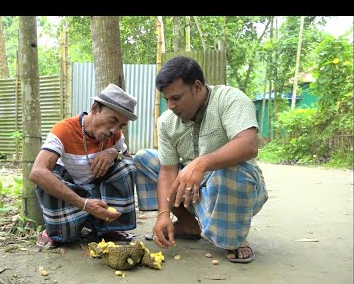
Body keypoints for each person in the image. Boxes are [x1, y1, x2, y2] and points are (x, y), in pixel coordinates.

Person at [134, 56, 268, 263]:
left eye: (176, 98)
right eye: (166, 99)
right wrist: (163, 214)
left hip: (236, 186)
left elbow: (249, 145)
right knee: (144, 158)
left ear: (197, 87)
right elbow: (168, 170)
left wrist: (201, 163)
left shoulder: (229, 99)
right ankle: (189, 224)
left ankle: (233, 238)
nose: (170, 106)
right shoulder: (167, 122)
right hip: (191, 192)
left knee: (229, 171)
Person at [30, 83, 138, 249]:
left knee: (126, 167)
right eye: (112, 121)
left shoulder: (115, 136)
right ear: (95, 108)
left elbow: (129, 161)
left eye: (120, 125)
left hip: (97, 191)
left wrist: (114, 153)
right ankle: (55, 230)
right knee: (49, 176)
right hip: (70, 194)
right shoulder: (63, 130)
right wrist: (84, 203)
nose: (114, 130)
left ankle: (108, 228)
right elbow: (37, 172)